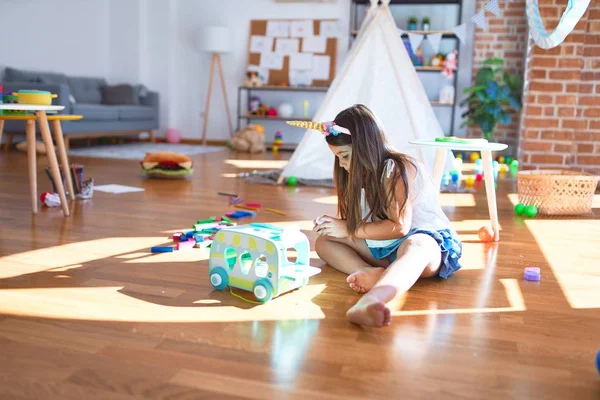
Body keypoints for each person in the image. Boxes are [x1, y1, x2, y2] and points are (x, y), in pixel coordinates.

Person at [293, 104, 462, 327]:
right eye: (338, 158)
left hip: (423, 247)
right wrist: (338, 226)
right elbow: (369, 227)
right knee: (324, 242)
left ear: (365, 147)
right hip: (385, 248)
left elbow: (400, 227)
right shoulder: (358, 177)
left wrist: (349, 228)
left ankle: (373, 299)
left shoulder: (395, 168)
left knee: (417, 244)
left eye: (344, 156)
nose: (342, 165)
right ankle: (367, 272)